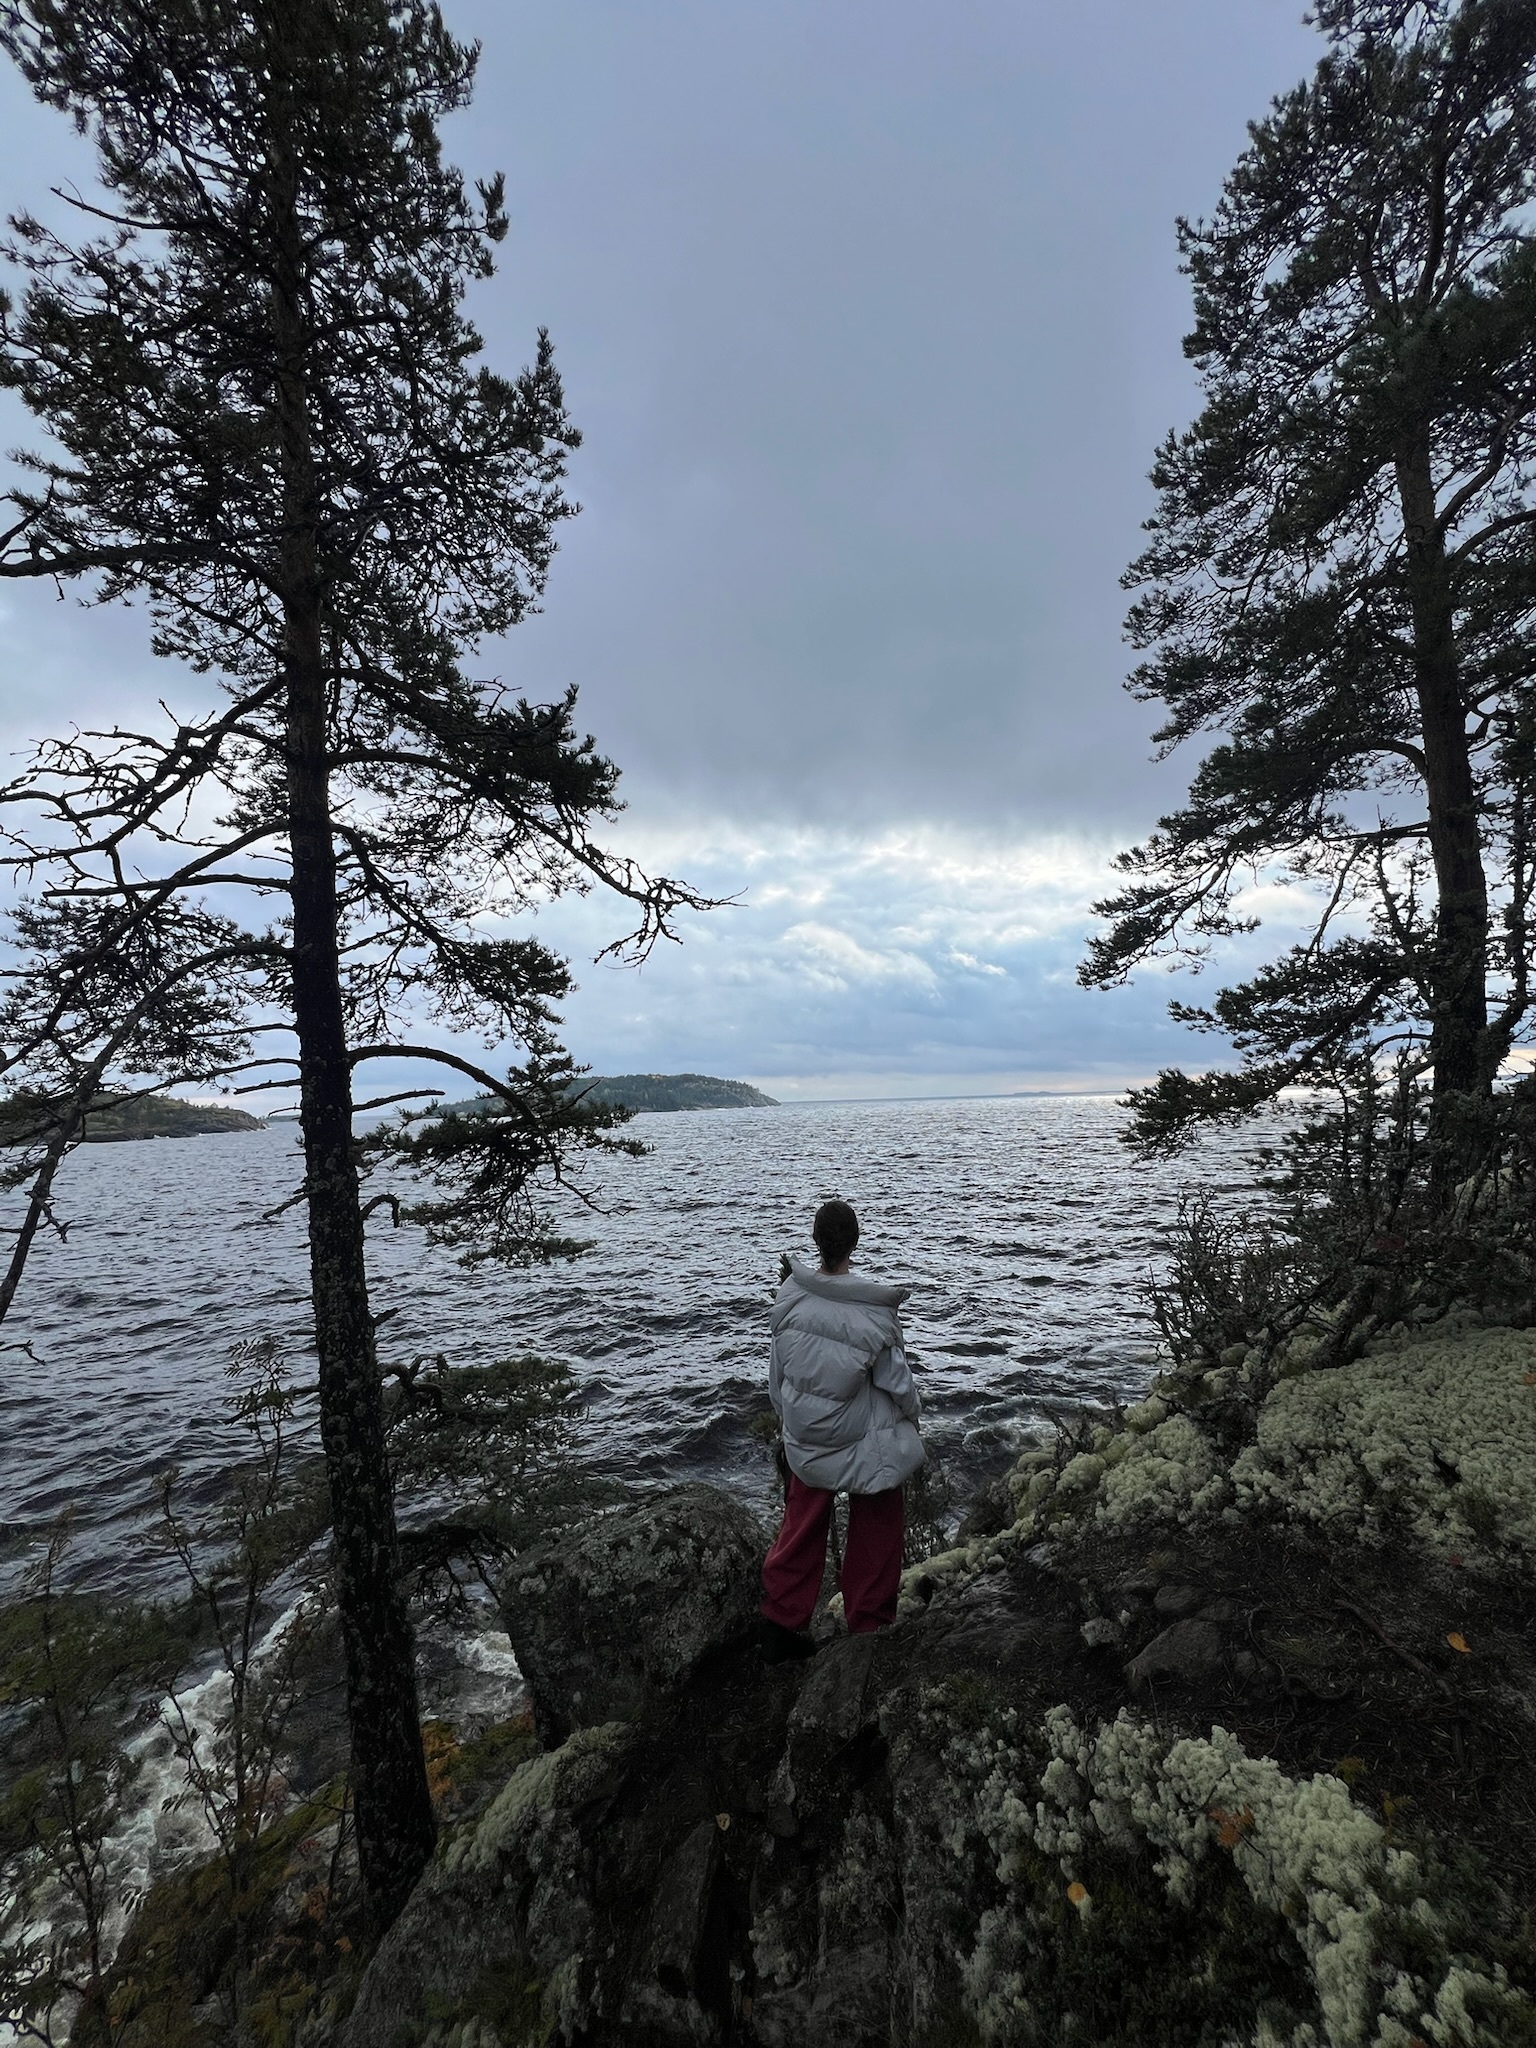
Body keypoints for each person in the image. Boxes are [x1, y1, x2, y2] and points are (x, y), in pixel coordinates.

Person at [759, 1198, 924, 1664]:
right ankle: (868, 1624)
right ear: (855, 1242)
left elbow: (777, 1383)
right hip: (855, 1442)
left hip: (808, 1442)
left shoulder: (789, 1299)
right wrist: (914, 1417)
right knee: (880, 1502)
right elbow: (898, 1385)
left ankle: (780, 1624)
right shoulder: (873, 1313)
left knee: (802, 1518)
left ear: (816, 1242)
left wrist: (796, 1427)